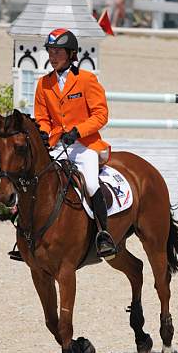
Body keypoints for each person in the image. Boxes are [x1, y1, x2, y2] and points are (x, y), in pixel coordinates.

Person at [34, 28, 117, 259]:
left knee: (90, 184)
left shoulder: (86, 80)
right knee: (37, 182)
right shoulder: (43, 84)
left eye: (58, 51)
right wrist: (44, 134)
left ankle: (104, 236)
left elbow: (101, 115)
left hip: (85, 146)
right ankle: (30, 236)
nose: (52, 55)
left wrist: (77, 131)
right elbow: (41, 118)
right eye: (50, 50)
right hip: (57, 145)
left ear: (71, 54)